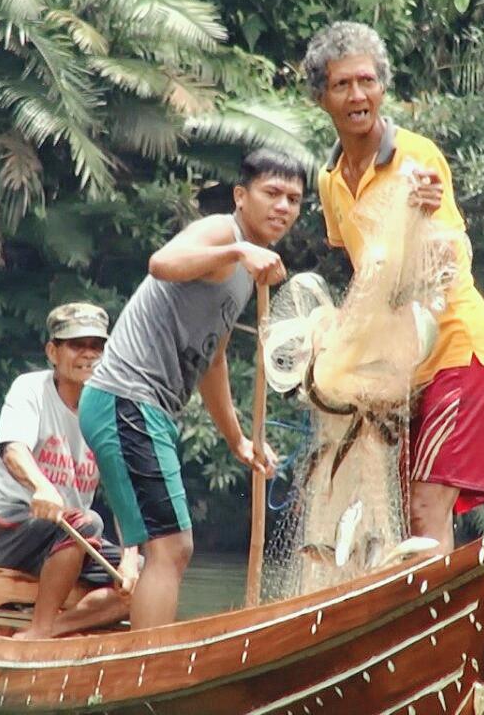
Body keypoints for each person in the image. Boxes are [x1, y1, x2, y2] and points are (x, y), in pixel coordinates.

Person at [303, 22, 484, 557]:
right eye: (343, 85)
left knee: (423, 509)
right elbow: (363, 273)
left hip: (456, 349)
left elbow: (449, 250)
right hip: (397, 367)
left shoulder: (415, 158)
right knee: (387, 514)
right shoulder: (330, 180)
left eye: (367, 81)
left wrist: (422, 214)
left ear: (383, 88)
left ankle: (431, 628)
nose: (357, 96)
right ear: (321, 95)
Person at [78, 149, 305, 629]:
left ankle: (140, 655)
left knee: (164, 549)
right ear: (241, 197)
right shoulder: (226, 233)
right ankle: (149, 671)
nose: (283, 206)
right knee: (172, 547)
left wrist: (239, 440)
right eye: (272, 193)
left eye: (294, 199)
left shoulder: (248, 275)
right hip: (126, 398)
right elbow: (162, 262)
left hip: (145, 410)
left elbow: (213, 359)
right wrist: (237, 251)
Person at [0, 302, 135, 640]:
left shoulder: (109, 409)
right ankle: (41, 628)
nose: (89, 355)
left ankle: (53, 630)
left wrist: (132, 557)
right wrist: (41, 487)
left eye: (97, 347)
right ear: (53, 351)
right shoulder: (30, 389)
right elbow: (12, 448)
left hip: (72, 538)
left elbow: (123, 490)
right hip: (12, 530)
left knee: (145, 582)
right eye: (77, 345)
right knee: (87, 520)